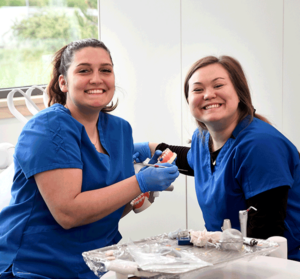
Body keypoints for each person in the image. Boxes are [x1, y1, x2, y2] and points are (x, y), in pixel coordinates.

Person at [0, 38, 179, 278]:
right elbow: (68, 214)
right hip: (35, 266)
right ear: (63, 82)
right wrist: (140, 183)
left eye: (105, 70)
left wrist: (140, 195)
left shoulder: (120, 130)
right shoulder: (48, 128)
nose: (96, 79)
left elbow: (106, 210)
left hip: (92, 264)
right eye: (84, 70)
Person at [133, 55, 300, 261]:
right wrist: (150, 149)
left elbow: (265, 237)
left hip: (282, 263)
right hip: (232, 256)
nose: (208, 95)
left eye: (218, 85)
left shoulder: (260, 145)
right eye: (197, 89)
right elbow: (196, 161)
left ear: (239, 93)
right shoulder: (203, 139)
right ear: (188, 100)